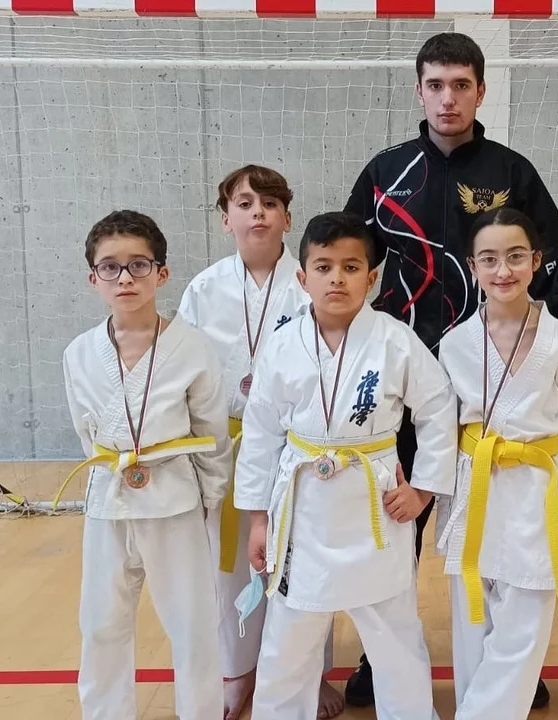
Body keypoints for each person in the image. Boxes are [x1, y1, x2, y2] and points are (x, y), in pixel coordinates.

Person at [342, 30, 558, 708]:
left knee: (500, 529)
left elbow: (551, 268)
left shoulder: (512, 171)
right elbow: (346, 265)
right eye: (435, 84)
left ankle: (507, 662)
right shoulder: (386, 171)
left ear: (481, 91)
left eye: (461, 84)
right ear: (418, 91)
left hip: (487, 380)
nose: (447, 98)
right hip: (401, 380)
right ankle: (381, 658)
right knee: (397, 522)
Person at [234, 211, 458, 719]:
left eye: (351, 267)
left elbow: (439, 406)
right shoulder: (282, 345)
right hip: (302, 508)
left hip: (375, 504)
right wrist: (258, 519)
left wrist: (423, 488)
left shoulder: (395, 339)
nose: (337, 278)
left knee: (395, 637)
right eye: (324, 266)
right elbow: (260, 434)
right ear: (302, 277)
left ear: (372, 278)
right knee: (288, 639)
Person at [178, 165, 343, 720]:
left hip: (298, 442)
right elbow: (185, 371)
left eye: (270, 203)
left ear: (287, 219)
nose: (258, 212)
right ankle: (238, 671)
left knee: (303, 558)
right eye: (245, 203)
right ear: (226, 219)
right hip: (226, 439)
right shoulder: (204, 288)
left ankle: (309, 674)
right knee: (228, 567)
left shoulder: (311, 280)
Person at [62, 210, 232, 719]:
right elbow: (86, 434)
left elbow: (212, 434)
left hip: (175, 500)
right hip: (108, 500)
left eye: (139, 265)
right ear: (93, 278)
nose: (125, 278)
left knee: (192, 624)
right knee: (100, 623)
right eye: (110, 267)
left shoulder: (193, 348)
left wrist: (210, 499)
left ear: (162, 273)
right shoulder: (78, 354)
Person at [436, 208, 558, 718]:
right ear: (472, 266)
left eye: (516, 257)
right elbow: (442, 426)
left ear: (537, 261)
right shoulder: (455, 343)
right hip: (473, 485)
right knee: (472, 621)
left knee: (524, 623)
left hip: (534, 488)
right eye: (489, 259)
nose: (503, 270)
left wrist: (539, 463)